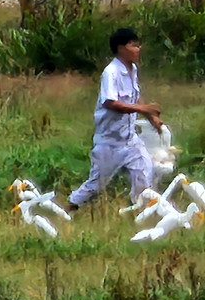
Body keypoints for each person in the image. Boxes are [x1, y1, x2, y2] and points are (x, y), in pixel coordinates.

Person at [67, 28, 165, 211]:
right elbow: (111, 103)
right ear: (121, 48)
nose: (138, 49)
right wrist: (143, 109)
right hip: (109, 142)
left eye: (138, 45)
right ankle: (67, 210)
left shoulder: (133, 70)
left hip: (129, 139)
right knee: (95, 185)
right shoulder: (111, 72)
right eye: (133, 45)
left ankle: (139, 212)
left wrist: (151, 117)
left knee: (144, 173)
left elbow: (135, 97)